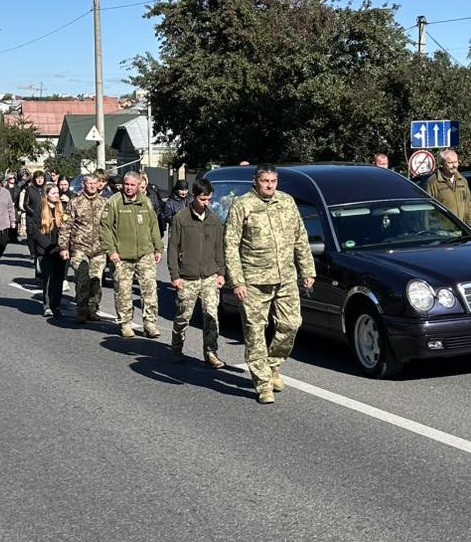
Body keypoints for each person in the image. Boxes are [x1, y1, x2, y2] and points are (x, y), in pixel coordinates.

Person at [224, 164, 315, 404]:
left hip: (285, 277)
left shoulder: (286, 202)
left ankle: (273, 364)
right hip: (254, 281)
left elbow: (300, 238)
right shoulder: (242, 205)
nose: (269, 186)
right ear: (256, 181)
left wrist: (307, 270)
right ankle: (263, 384)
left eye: (273, 181)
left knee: (292, 323)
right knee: (255, 331)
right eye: (265, 181)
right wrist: (237, 281)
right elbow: (231, 246)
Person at [168, 178, 226, 368]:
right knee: (183, 317)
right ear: (194, 196)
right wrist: (175, 275)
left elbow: (219, 248)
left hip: (210, 276)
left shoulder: (215, 220)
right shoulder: (181, 219)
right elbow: (173, 248)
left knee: (211, 316)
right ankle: (176, 347)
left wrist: (221, 273)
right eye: (203, 199)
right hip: (187, 277)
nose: (206, 203)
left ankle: (211, 352)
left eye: (209, 199)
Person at [100, 170, 163, 338]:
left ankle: (150, 323)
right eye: (126, 184)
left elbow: (153, 226)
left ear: (138, 185)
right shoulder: (114, 202)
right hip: (121, 256)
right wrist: (111, 251)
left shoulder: (145, 202)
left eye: (132, 185)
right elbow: (105, 228)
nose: (128, 188)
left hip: (145, 254)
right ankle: (125, 323)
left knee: (149, 290)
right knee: (123, 291)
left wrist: (158, 248)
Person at [60, 169, 109, 321]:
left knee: (96, 282)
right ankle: (81, 310)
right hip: (80, 248)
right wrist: (63, 247)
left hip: (99, 250)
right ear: (84, 184)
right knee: (82, 280)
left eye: (95, 183)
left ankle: (93, 309)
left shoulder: (104, 203)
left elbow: (110, 226)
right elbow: (65, 225)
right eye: (90, 183)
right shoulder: (75, 202)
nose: (93, 186)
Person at [31, 186, 67, 316]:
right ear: (47, 195)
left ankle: (56, 305)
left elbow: (67, 227)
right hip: (45, 250)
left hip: (61, 249)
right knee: (48, 278)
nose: (56, 195)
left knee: (59, 278)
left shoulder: (62, 208)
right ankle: (47, 305)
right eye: (53, 193)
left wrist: (64, 246)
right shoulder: (40, 208)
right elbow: (35, 230)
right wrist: (49, 246)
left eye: (57, 192)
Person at [425, 150, 471, 229]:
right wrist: (430, 231)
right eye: (450, 163)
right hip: (443, 233)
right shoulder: (433, 182)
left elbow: (469, 206)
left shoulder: (462, 181)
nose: (454, 165)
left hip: (461, 231)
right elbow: (428, 210)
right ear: (442, 164)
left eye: (456, 162)